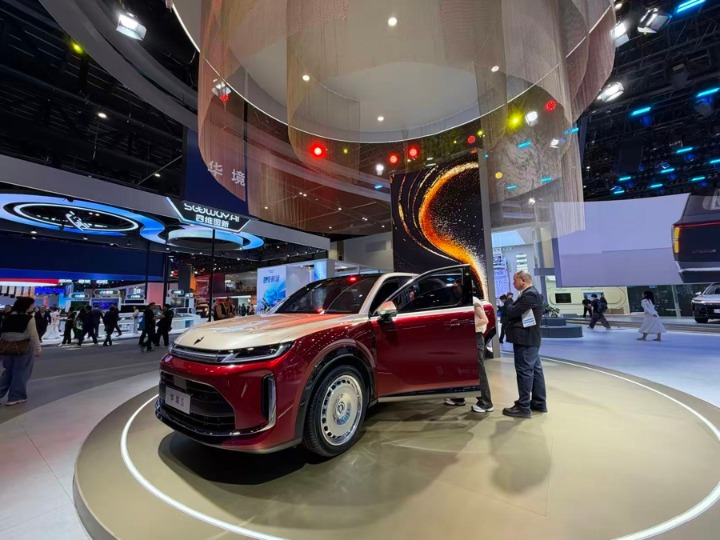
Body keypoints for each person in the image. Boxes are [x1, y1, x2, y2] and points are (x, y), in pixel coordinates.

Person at [502, 271, 547, 419]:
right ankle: (539, 403)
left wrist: (508, 302)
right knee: (535, 371)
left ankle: (523, 407)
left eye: (514, 281)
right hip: (529, 339)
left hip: (526, 339)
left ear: (523, 280)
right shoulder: (530, 294)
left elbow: (512, 312)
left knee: (524, 372)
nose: (513, 284)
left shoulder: (530, 295)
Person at [444, 287, 494, 413]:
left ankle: (486, 402)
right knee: (462, 369)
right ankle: (459, 398)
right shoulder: (463, 301)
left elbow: (484, 319)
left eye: (456, 285)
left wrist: (465, 326)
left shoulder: (473, 300)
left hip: (475, 338)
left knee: (478, 371)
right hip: (467, 339)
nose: (454, 288)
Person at [0, 297, 42, 406]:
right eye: (32, 305)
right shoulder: (29, 318)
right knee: (21, 372)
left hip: (6, 348)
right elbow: (33, 335)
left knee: (8, 372)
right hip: (23, 348)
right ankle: (16, 397)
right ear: (26, 306)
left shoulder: (7, 316)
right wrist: (38, 348)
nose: (33, 307)